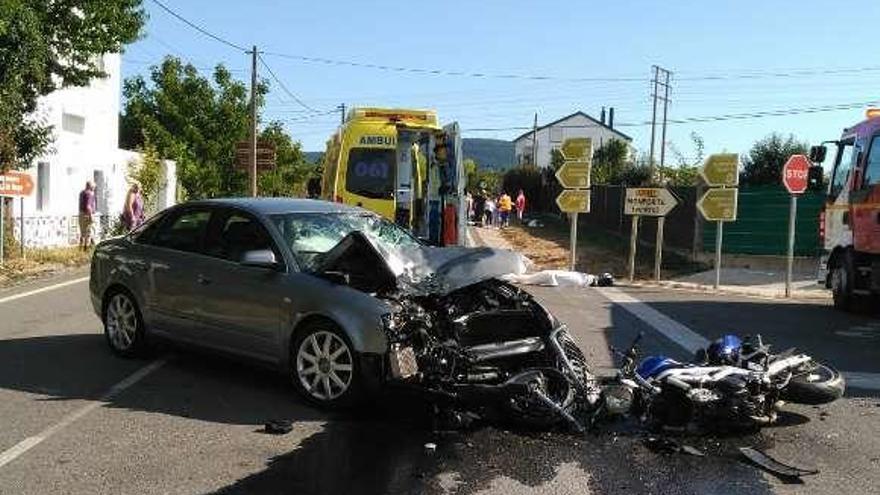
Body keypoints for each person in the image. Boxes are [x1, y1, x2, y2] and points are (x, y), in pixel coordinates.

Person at [78, 181, 96, 250]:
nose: (94, 188)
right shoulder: (89, 194)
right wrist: (91, 215)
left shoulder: (82, 193)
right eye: (93, 187)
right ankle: (86, 248)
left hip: (81, 214)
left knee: (82, 232)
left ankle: (80, 248)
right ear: (90, 186)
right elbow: (88, 206)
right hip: (88, 214)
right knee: (89, 232)